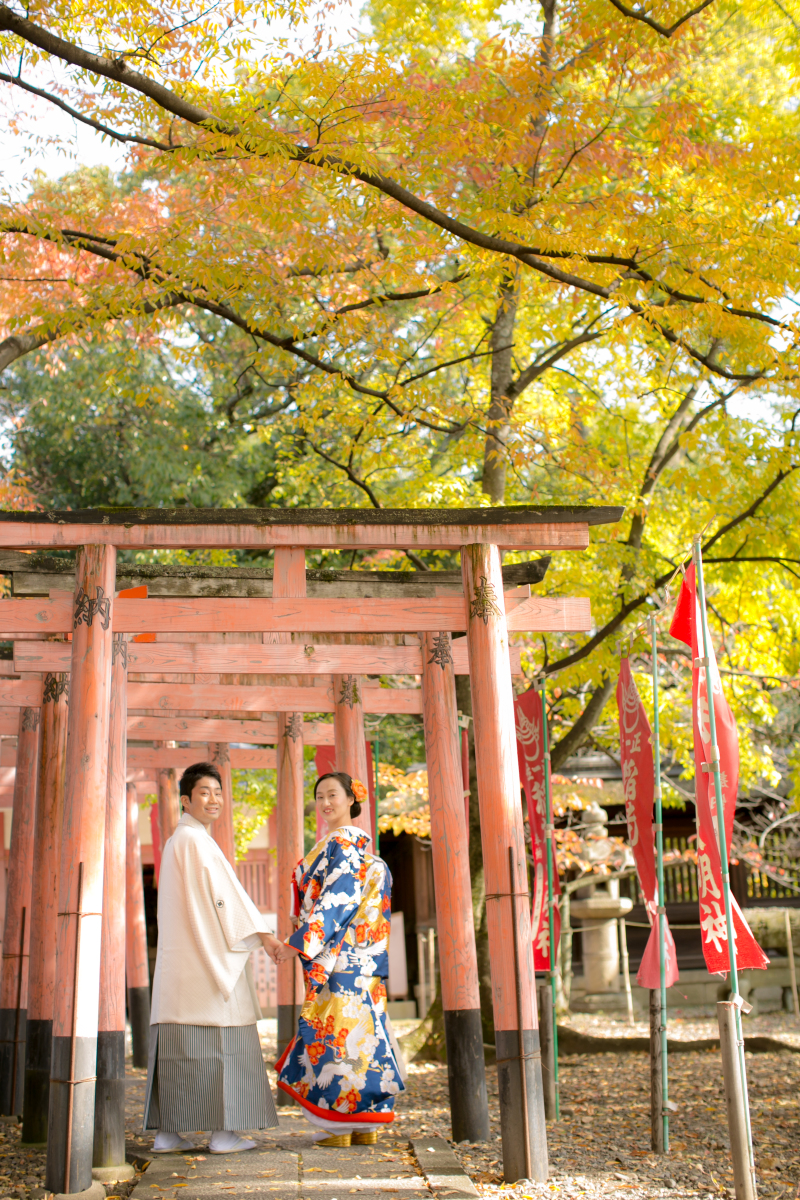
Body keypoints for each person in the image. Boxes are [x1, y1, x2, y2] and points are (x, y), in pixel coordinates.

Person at [143, 762, 283, 1153]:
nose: (214, 799)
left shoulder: (180, 841)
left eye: (218, 792)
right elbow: (225, 901)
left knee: (177, 1049)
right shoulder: (195, 841)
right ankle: (223, 1133)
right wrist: (265, 937)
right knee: (223, 1045)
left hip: (180, 966)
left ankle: (168, 1133)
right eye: (204, 792)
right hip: (207, 962)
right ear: (185, 800)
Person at [274, 771, 405, 1147]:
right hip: (363, 963)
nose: (325, 802)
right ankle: (365, 1124)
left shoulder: (343, 846)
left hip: (337, 959)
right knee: (365, 1038)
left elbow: (336, 902)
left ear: (351, 799)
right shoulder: (363, 853)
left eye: (333, 794)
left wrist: (298, 942)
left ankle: (339, 1126)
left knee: (336, 1038)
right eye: (319, 797)